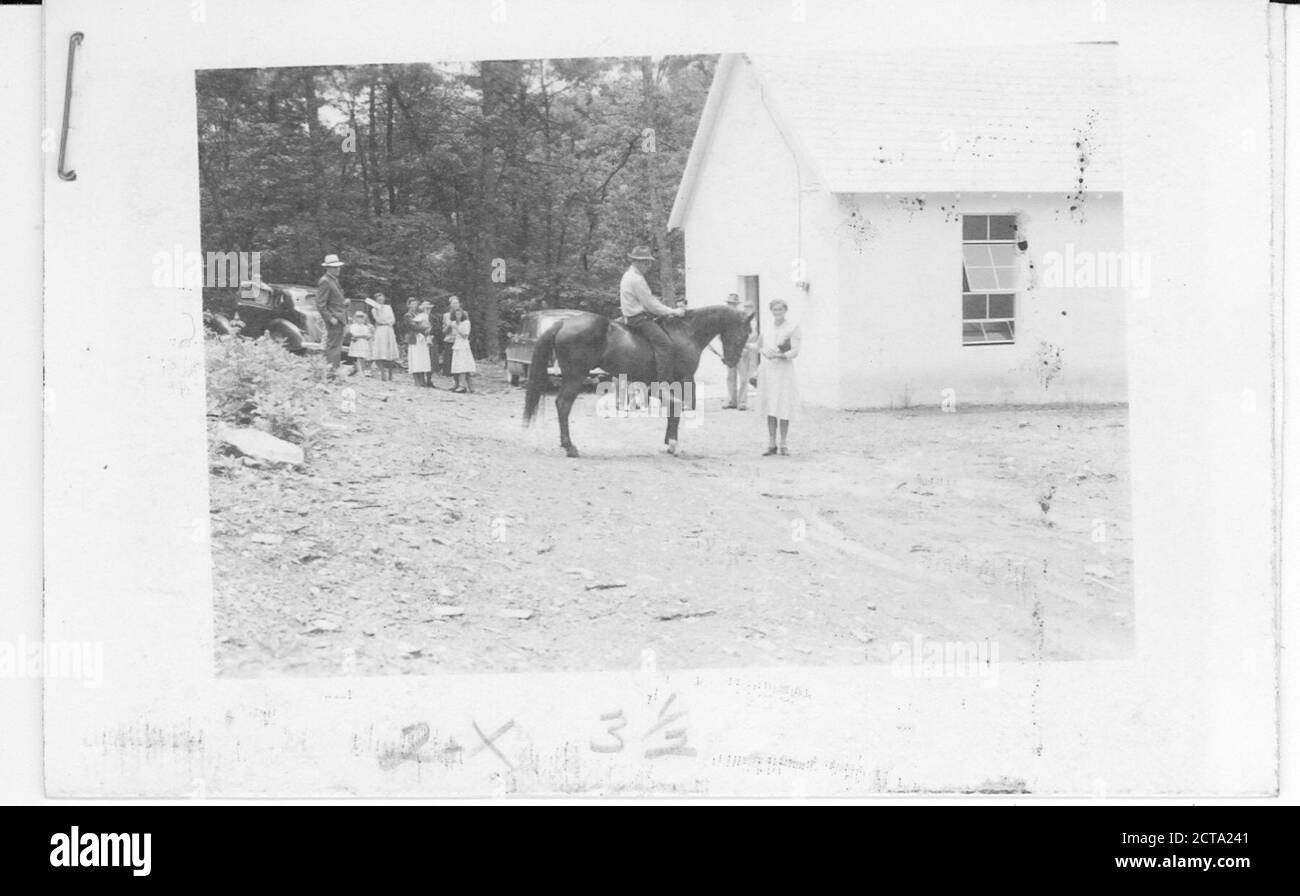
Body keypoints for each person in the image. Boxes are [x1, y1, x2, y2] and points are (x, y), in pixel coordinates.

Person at [620, 246, 684, 395]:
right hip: (639, 319)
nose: (648, 266)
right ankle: (663, 385)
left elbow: (649, 301)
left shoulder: (629, 275)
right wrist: (673, 311)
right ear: (639, 262)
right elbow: (651, 304)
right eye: (647, 263)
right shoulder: (636, 279)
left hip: (633, 316)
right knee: (666, 344)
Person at [758, 299, 801, 456]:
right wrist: (764, 352)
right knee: (771, 405)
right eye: (775, 309)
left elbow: (795, 351)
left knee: (783, 406)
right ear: (771, 311)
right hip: (769, 370)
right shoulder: (767, 327)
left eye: (780, 309)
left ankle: (783, 442)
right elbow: (760, 345)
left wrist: (779, 355)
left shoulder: (792, 328)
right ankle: (771, 442)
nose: (777, 312)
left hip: (784, 371)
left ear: (785, 310)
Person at [315, 254, 348, 378]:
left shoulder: (334, 280)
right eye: (334, 267)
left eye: (338, 267)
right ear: (327, 268)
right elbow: (320, 304)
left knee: (336, 347)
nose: (337, 269)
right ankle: (330, 374)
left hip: (340, 318)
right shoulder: (325, 281)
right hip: (334, 319)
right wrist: (330, 318)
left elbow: (334, 301)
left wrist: (344, 303)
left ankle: (333, 372)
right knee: (332, 346)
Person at [365, 292, 399, 381]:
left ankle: (390, 374)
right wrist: (379, 312)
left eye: (382, 299)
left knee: (390, 350)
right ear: (376, 301)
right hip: (380, 331)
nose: (381, 301)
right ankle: (383, 373)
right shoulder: (374, 309)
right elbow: (378, 320)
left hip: (389, 330)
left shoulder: (388, 307)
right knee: (379, 351)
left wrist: (388, 322)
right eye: (379, 300)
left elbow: (393, 319)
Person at [403, 297, 432, 386]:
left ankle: (422, 380)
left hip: (422, 338)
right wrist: (424, 328)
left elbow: (426, 322)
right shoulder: (408, 315)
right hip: (414, 338)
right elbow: (413, 326)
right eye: (412, 304)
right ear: (408, 305)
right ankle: (417, 381)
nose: (414, 306)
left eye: (415, 304)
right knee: (415, 359)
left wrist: (427, 328)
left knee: (422, 359)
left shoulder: (420, 314)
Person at [450, 309, 476, 393]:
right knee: (458, 366)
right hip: (457, 345)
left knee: (464, 365)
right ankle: (469, 387)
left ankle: (462, 386)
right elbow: (454, 335)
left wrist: (456, 328)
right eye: (456, 314)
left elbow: (465, 336)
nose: (458, 316)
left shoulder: (466, 323)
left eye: (459, 314)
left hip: (463, 346)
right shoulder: (454, 323)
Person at [347, 311, 374, 376]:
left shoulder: (365, 327)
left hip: (363, 343)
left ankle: (364, 370)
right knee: (357, 357)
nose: (360, 319)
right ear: (355, 318)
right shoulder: (353, 326)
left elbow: (367, 335)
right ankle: (358, 370)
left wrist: (362, 336)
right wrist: (362, 336)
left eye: (361, 317)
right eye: (358, 317)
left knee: (363, 357)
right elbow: (354, 334)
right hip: (357, 343)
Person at [441, 295, 462, 377]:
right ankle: (450, 376)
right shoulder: (446, 315)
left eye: (457, 303)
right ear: (450, 305)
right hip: (449, 339)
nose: (455, 305)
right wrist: (449, 326)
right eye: (453, 303)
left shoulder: (463, 314)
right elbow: (444, 331)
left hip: (460, 339)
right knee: (449, 360)